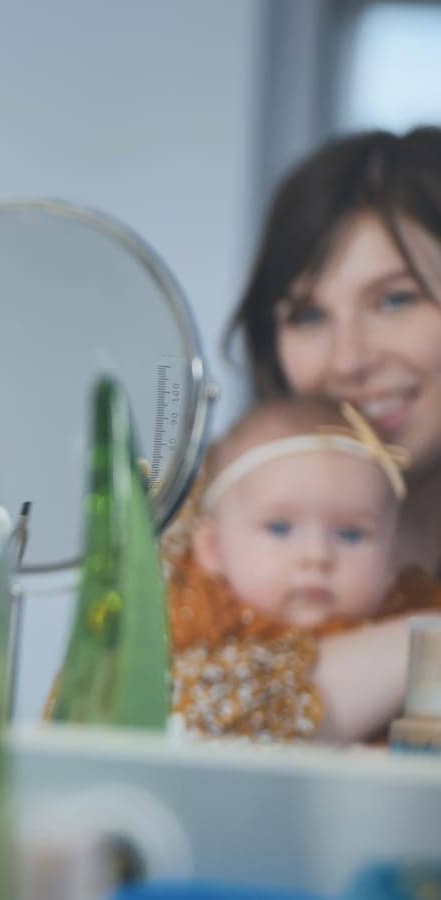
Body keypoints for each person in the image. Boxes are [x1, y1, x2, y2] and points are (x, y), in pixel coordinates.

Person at [173, 126, 441, 742]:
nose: (347, 361)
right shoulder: (217, 498)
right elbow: (118, 724)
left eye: (395, 300)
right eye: (309, 315)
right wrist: (419, 644)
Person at [168, 398, 441, 739]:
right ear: (211, 548)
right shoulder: (196, 626)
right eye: (280, 528)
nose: (317, 555)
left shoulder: (413, 613)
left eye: (350, 533)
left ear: (391, 558)